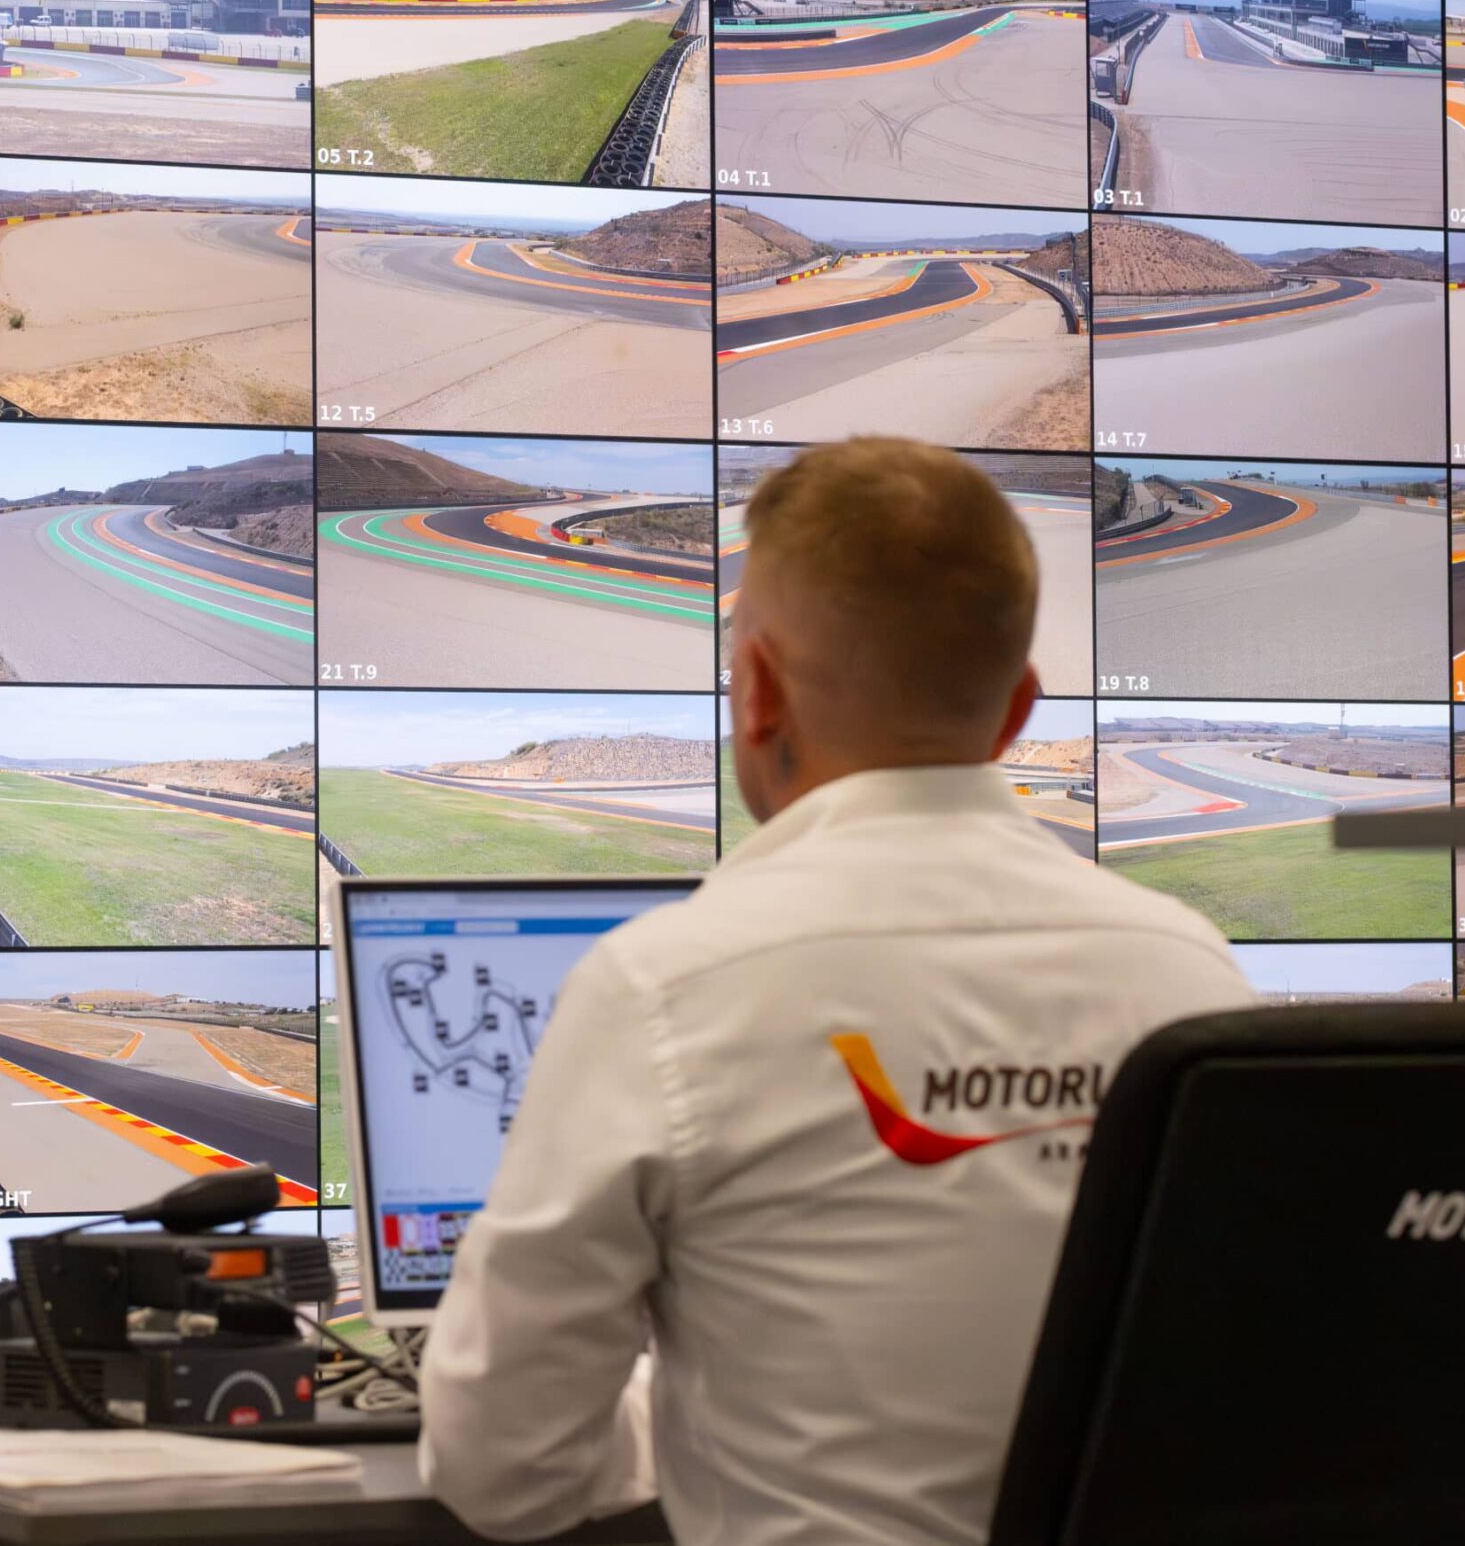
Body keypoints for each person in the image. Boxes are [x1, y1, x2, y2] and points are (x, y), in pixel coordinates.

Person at [418, 437, 1254, 1545]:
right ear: (1017, 711)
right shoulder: (1192, 973)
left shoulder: (668, 985)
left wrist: (675, 1413)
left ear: (757, 691)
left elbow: (504, 1474)